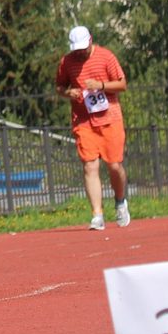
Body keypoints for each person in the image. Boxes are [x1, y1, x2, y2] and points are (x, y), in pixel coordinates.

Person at [55, 26, 129, 231]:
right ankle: (97, 214)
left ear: (91, 41)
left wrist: (101, 85)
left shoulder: (106, 57)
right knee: (90, 166)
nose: (80, 53)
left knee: (114, 165)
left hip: (109, 119)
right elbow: (59, 87)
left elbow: (122, 84)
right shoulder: (66, 62)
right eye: (77, 49)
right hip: (83, 121)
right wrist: (69, 93)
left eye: (83, 48)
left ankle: (120, 200)